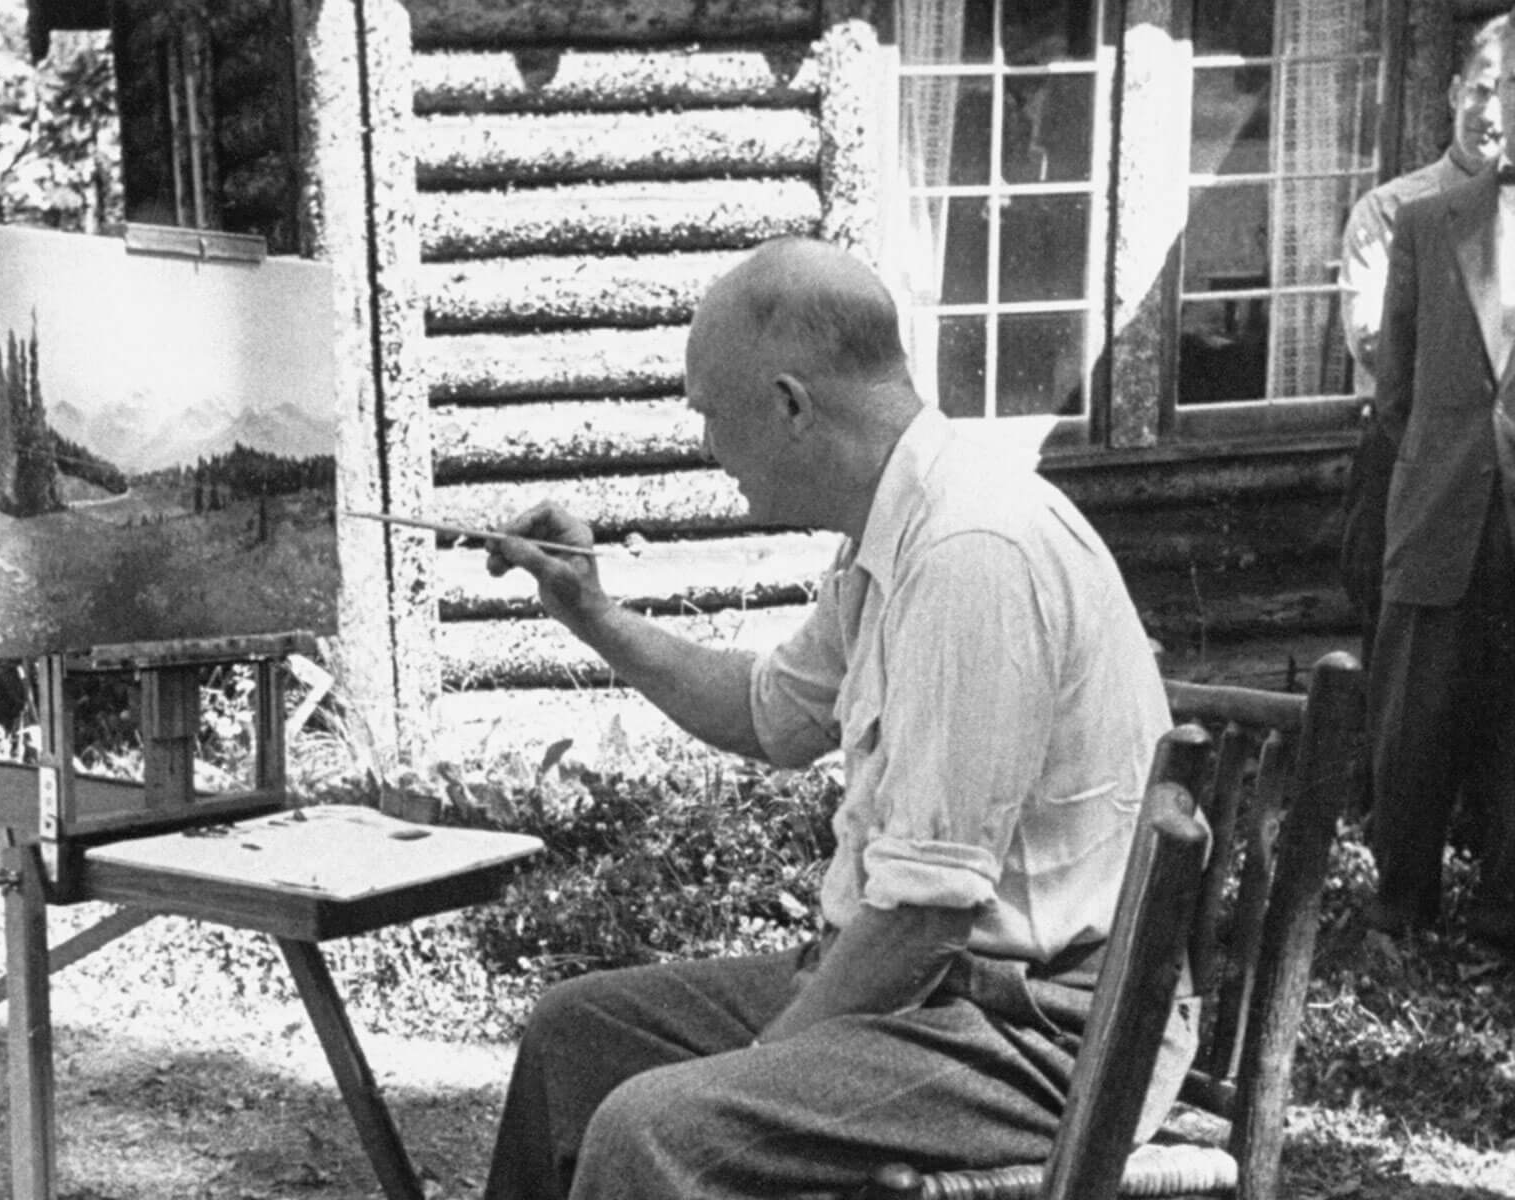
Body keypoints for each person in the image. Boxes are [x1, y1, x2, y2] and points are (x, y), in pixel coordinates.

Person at [478, 238, 1189, 1200]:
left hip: (1043, 1034)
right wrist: (591, 612)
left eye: (710, 415)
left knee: (656, 1127)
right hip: (941, 997)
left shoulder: (970, 551)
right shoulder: (892, 531)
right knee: (576, 1036)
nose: (707, 447)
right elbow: (768, 713)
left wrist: (758, 1066)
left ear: (789, 405)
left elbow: (925, 918)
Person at [1366, 15, 1515, 950]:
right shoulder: (1428, 224)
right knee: (1415, 719)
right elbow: (1395, 395)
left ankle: (1505, 914)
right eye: (1500, 87)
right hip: (1442, 509)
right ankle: (1400, 908)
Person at [1338, 14, 1506, 665]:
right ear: (1455, 92)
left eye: (1509, 92)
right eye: (1482, 90)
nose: (1492, 112)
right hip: (1410, 463)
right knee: (1406, 675)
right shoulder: (1395, 211)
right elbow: (1379, 345)